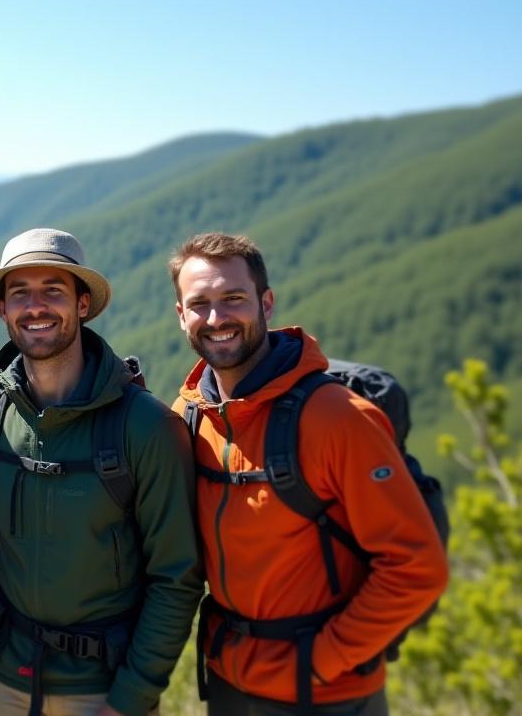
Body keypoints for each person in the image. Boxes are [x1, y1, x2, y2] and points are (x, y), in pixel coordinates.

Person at [169, 232, 449, 715]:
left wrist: (319, 662)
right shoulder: (191, 416)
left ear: (266, 303)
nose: (216, 319)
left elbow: (415, 566)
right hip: (229, 682)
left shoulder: (336, 417)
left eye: (233, 298)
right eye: (200, 304)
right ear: (181, 315)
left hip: (325, 694)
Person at [0, 228, 202, 716]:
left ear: (83, 303)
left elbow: (176, 577)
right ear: (3, 308)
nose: (35, 307)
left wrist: (132, 698)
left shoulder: (145, 426)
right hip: (10, 679)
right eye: (20, 292)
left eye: (53, 290)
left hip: (105, 690)